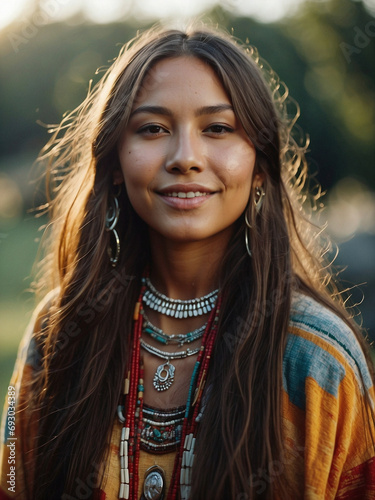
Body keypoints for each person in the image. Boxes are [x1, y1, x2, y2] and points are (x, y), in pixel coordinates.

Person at [0, 24, 374, 500]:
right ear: (115, 163)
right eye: (153, 128)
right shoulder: (59, 331)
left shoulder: (317, 360)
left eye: (217, 128)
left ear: (260, 168)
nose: (185, 158)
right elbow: (13, 480)